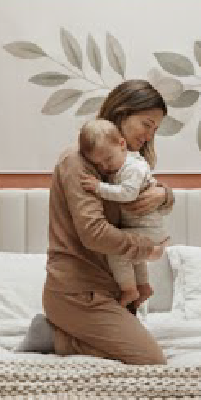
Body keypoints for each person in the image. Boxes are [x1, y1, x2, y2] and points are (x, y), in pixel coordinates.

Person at [19, 80, 174, 363]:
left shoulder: (122, 168)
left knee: (138, 353)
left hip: (111, 290)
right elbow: (94, 234)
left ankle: (62, 333)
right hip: (78, 292)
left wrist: (164, 195)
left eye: (156, 129)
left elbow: (145, 196)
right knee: (151, 360)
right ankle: (55, 336)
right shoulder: (76, 163)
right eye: (146, 124)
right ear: (123, 114)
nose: (150, 135)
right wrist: (145, 249)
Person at [76, 118, 166, 311]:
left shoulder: (133, 168)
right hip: (140, 228)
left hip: (148, 229)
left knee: (117, 252)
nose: (105, 167)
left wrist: (99, 187)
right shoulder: (121, 164)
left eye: (108, 159)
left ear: (122, 144)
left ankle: (129, 290)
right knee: (134, 255)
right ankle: (143, 286)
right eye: (99, 164)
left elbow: (128, 193)